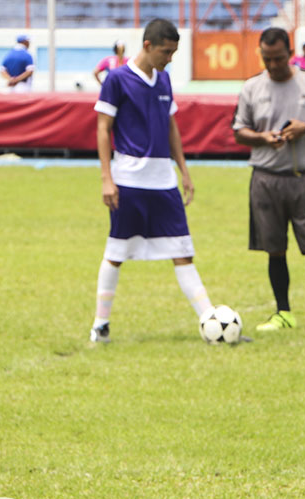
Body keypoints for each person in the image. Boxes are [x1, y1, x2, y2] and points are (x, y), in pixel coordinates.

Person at [89, 19, 212, 343]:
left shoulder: (165, 80)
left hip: (163, 183)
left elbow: (171, 127)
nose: (169, 58)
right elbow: (103, 128)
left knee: (182, 250)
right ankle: (100, 325)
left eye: (173, 52)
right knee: (116, 252)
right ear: (147, 45)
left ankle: (210, 321)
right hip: (128, 181)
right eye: (166, 51)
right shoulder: (116, 79)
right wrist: (106, 177)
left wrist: (183, 170)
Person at [232, 27, 305, 334]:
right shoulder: (251, 87)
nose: (272, 65)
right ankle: (283, 312)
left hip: (304, 178)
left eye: (279, 59)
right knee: (274, 249)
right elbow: (238, 130)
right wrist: (261, 138)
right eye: (267, 59)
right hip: (265, 179)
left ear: (290, 53)